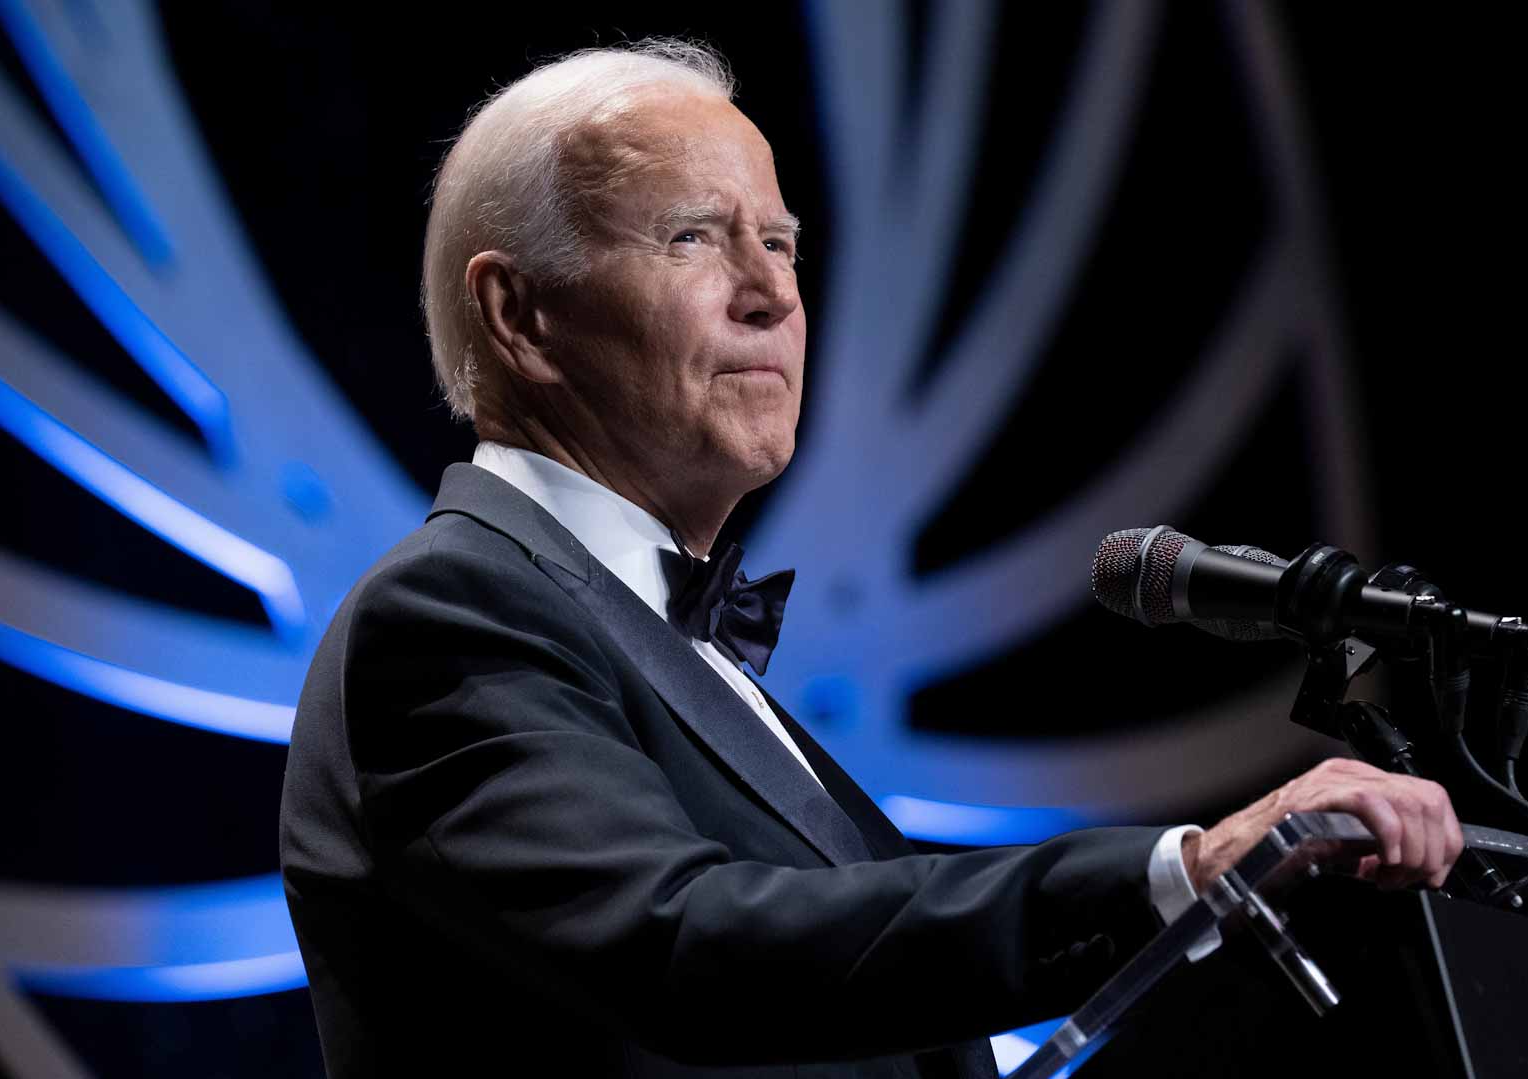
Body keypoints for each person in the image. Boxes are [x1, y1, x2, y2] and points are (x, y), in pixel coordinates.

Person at [279, 39, 1463, 1078]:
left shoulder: (674, 647)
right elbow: (686, 943)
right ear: (521, 316)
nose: (772, 296)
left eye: (782, 243)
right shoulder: (448, 610)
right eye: (694, 236)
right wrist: (1181, 865)